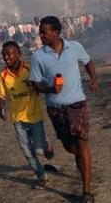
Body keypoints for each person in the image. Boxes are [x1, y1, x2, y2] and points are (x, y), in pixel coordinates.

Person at [29, 16, 98, 203]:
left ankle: (87, 190)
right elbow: (35, 85)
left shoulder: (74, 47)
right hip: (56, 108)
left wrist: (93, 79)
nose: (41, 35)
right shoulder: (38, 56)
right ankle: (80, 162)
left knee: (82, 144)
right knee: (71, 147)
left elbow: (88, 61)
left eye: (44, 32)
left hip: (77, 104)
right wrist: (50, 88)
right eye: (40, 32)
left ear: (56, 32)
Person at [0, 41, 54, 189]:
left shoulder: (30, 68)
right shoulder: (3, 76)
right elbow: (1, 96)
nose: (6, 57)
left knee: (39, 151)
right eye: (4, 54)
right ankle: (42, 177)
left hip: (35, 117)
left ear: (18, 54)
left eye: (9, 53)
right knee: (27, 151)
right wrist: (2, 109)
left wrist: (39, 86)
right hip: (18, 120)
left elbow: (42, 84)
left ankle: (46, 146)